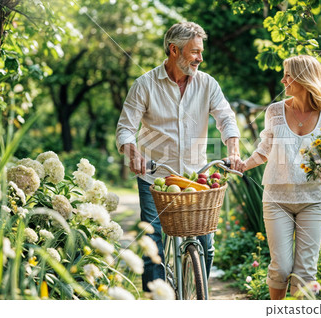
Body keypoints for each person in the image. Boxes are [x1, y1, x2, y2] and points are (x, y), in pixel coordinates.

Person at [116, 22, 242, 292]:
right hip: (155, 177)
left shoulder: (207, 84)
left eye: (201, 52)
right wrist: (133, 152)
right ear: (174, 50)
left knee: (206, 248)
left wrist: (233, 150)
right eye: (195, 52)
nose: (201, 58)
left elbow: (226, 118)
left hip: (196, 177)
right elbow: (126, 128)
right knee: (154, 250)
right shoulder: (145, 84)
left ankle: (198, 298)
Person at [240, 55, 321, 299]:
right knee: (280, 268)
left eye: (288, 75)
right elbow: (264, 150)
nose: (283, 79)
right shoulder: (275, 111)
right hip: (277, 199)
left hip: (313, 199)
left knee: (306, 272)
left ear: (304, 79)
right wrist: (242, 166)